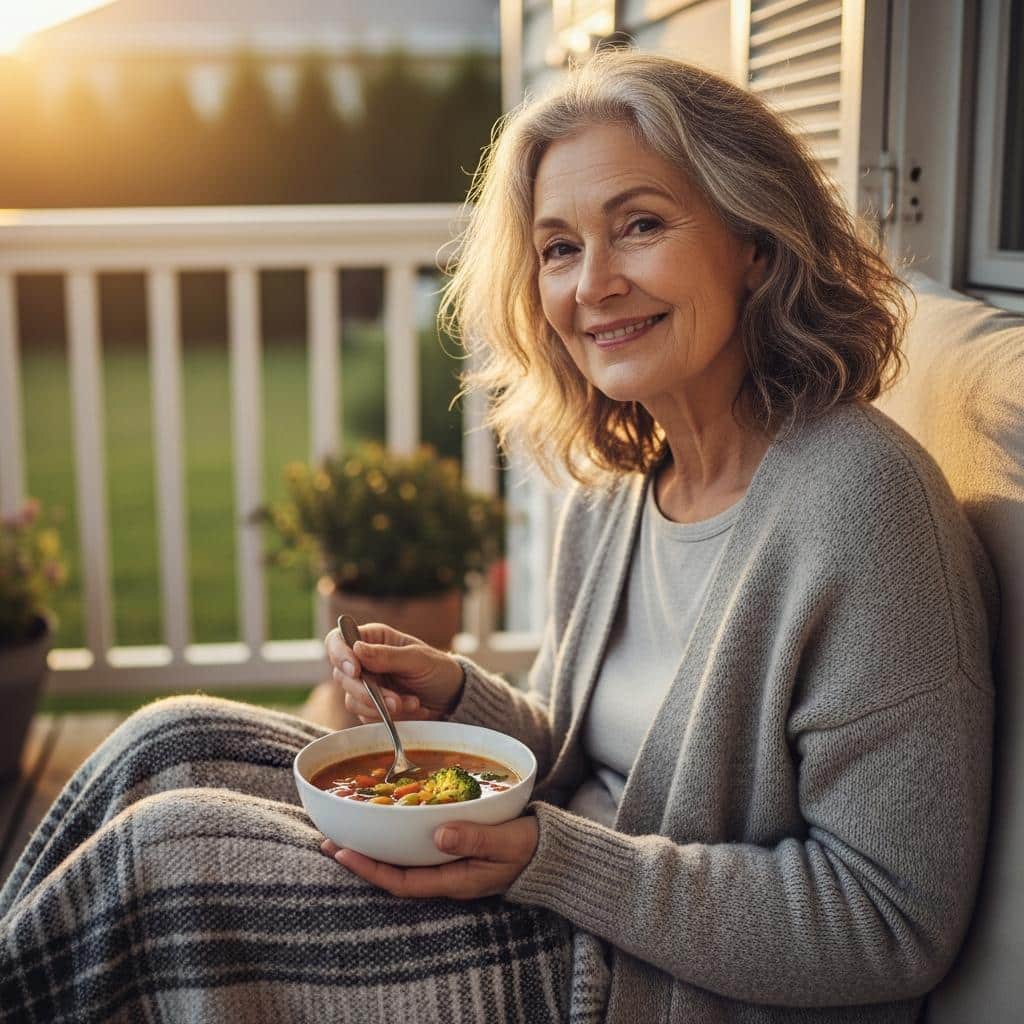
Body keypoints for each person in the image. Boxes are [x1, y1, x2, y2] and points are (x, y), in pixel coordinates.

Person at [0, 50, 995, 1024]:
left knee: (169, 863)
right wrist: (460, 694)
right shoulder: (626, 481)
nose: (591, 283)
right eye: (559, 246)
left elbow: (887, 922)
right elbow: (575, 750)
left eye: (638, 225)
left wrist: (552, 857)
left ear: (756, 241)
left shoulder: (862, 510)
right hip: (572, 894)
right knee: (166, 740)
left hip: (658, 981)